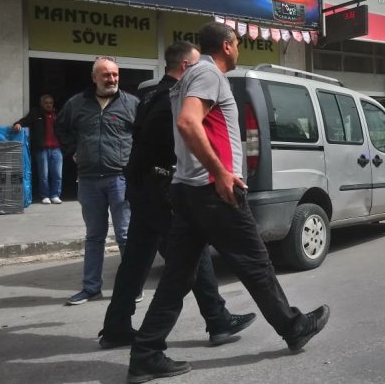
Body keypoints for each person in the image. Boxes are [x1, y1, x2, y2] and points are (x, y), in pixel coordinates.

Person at [128, 23, 329, 383]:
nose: (239, 50)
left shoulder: (188, 76)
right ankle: (294, 327)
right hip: (212, 191)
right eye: (237, 44)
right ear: (226, 45)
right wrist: (220, 173)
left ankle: (146, 353)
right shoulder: (207, 73)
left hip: (189, 191)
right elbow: (189, 123)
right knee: (256, 264)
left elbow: (190, 125)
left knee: (177, 277)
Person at [98, 41, 256, 350]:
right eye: (197, 66)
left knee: (137, 259)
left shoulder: (152, 94)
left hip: (143, 188)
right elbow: (178, 138)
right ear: (186, 67)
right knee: (190, 252)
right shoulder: (170, 98)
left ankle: (116, 325)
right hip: (158, 189)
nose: (200, 71)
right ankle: (217, 319)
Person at [56, 56, 138, 306]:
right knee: (94, 236)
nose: (111, 79)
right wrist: (73, 150)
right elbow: (61, 129)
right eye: (106, 75)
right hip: (89, 180)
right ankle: (91, 288)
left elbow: (144, 136)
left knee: (125, 235)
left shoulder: (131, 104)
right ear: (94, 78)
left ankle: (131, 288)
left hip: (120, 179)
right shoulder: (76, 104)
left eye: (115, 74)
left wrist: (134, 164)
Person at [13, 94, 63, 205]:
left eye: (50, 103)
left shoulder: (58, 115)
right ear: (41, 104)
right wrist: (18, 124)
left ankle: (55, 195)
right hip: (42, 148)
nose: (49, 105)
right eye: (46, 103)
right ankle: (45, 196)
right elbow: (25, 120)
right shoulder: (36, 114)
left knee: (57, 174)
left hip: (56, 148)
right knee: (43, 174)